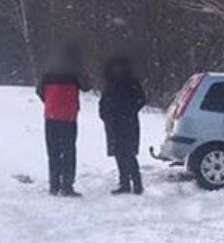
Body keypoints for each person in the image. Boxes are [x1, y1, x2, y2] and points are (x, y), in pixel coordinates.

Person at [36, 45, 91, 197]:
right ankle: (67, 185)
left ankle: (54, 185)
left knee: (53, 151)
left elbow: (39, 91)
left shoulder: (48, 70)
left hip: (51, 115)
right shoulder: (74, 69)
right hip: (68, 116)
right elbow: (87, 86)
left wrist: (49, 102)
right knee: (68, 151)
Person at [99, 54, 147, 195]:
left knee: (128, 153)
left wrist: (130, 111)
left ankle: (136, 183)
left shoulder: (131, 82)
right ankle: (124, 183)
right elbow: (104, 101)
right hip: (114, 122)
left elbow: (141, 99)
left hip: (127, 122)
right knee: (119, 153)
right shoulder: (111, 82)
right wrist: (104, 114)